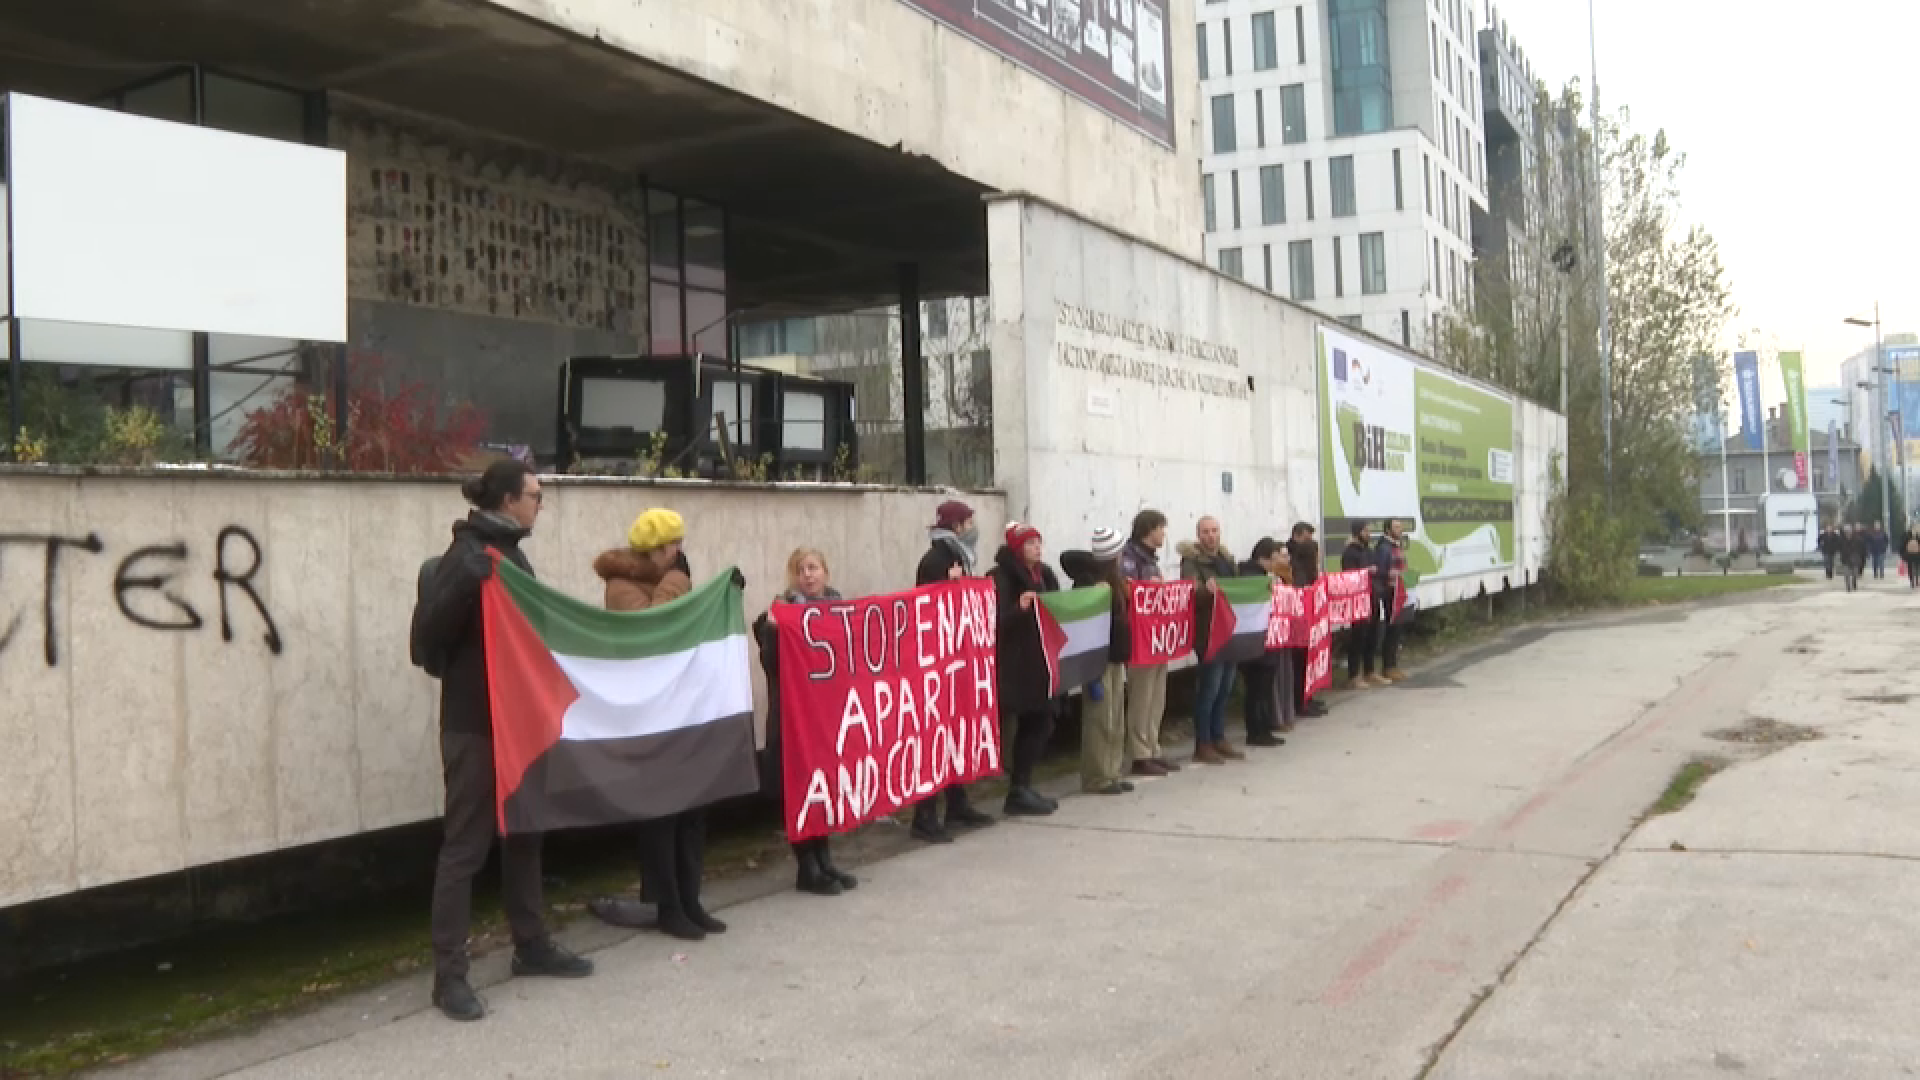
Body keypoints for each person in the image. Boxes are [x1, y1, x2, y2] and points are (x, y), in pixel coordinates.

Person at [410, 461, 593, 1023]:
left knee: (526, 834)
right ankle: (450, 978)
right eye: (535, 495)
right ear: (508, 500)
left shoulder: (512, 555)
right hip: (475, 727)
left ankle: (530, 944)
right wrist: (469, 582)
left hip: (519, 724)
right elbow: (425, 648)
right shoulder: (463, 560)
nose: (541, 504)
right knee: (465, 848)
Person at [589, 508, 732, 941]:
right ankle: (666, 905)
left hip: (682, 709)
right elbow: (654, 626)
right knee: (661, 815)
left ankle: (690, 899)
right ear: (657, 549)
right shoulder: (621, 585)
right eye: (674, 545)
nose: (680, 552)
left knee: (692, 810)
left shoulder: (669, 578)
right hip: (649, 715)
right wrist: (680, 582)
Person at [757, 548, 861, 897]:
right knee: (802, 790)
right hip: (794, 718)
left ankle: (824, 858)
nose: (808, 575)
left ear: (825, 573)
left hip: (825, 718)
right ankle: (807, 866)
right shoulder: (780, 613)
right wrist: (772, 631)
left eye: (814, 568)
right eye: (801, 570)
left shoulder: (838, 609)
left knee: (824, 788)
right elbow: (772, 665)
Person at [909, 500, 997, 843]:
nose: (973, 527)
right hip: (938, 662)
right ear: (956, 526)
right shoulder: (937, 560)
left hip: (958, 660)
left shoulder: (958, 557)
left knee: (957, 732)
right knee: (936, 737)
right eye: (969, 522)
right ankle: (925, 814)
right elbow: (932, 607)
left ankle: (957, 802)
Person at [989, 523, 1064, 816]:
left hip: (1042, 658)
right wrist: (1018, 609)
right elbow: (994, 621)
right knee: (1032, 720)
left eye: (1038, 542)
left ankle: (1023, 784)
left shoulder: (1044, 574)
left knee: (1045, 720)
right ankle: (1017, 789)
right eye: (1030, 543)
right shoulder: (1002, 577)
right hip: (1017, 662)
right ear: (1017, 547)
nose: (1036, 548)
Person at [1060, 528, 1135, 795]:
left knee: (1116, 718)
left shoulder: (1116, 579)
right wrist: (1095, 593)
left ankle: (1112, 770)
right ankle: (1096, 775)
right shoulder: (1088, 580)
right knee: (1100, 718)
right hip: (1097, 657)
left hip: (1114, 654)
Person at [1121, 510, 1180, 777]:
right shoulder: (1129, 558)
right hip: (1140, 638)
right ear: (1149, 529)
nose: (1163, 535)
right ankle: (1139, 752)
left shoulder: (1149, 560)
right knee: (1141, 697)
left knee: (1157, 697)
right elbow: (1128, 591)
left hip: (1157, 636)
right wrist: (1149, 586)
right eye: (1161, 529)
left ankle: (1153, 746)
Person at [1179, 516, 1242, 765]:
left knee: (1225, 688)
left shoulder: (1226, 559)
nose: (1210, 536)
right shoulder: (1191, 562)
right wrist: (1206, 590)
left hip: (1229, 631)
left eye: (1214, 531)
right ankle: (1202, 743)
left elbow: (1239, 587)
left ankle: (1219, 737)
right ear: (1198, 534)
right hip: (1208, 633)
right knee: (1209, 689)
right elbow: (1190, 591)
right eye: (1205, 532)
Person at [1236, 538, 1291, 748]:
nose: (1280, 562)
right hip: (1256, 640)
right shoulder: (1253, 577)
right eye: (1276, 557)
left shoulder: (1265, 576)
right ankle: (1257, 730)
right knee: (1257, 688)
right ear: (1265, 558)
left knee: (1263, 687)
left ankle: (1264, 727)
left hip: (1266, 638)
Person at [1285, 522, 1328, 719]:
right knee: (1299, 662)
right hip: (1298, 620)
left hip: (1307, 619)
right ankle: (1300, 701)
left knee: (1306, 661)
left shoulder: (1302, 563)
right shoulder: (1296, 564)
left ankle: (1306, 697)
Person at [1341, 523, 1381, 688]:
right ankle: (1353, 675)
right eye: (1366, 531)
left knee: (1373, 634)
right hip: (1358, 599)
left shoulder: (1368, 549)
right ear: (1358, 532)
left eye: (1370, 531)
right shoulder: (1350, 552)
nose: (1369, 534)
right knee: (1358, 637)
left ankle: (1369, 671)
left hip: (1372, 595)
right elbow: (1349, 575)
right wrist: (1366, 571)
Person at [1373, 519, 1409, 683]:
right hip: (1389, 592)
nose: (1400, 529)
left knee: (1397, 629)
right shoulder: (1384, 547)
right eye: (1396, 527)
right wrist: (1394, 576)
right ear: (1388, 530)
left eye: (1400, 527)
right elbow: (1381, 571)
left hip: (1399, 591)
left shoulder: (1396, 545)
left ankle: (1393, 665)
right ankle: (1387, 666)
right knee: (1391, 628)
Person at [1842, 523, 1867, 592]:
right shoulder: (1842, 540)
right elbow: (1840, 548)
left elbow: (1863, 548)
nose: (1848, 532)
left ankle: (1854, 582)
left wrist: (1863, 556)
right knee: (1846, 574)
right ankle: (1848, 586)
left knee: (1855, 573)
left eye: (1849, 531)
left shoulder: (1858, 539)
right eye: (1846, 531)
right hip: (1846, 559)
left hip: (1855, 558)